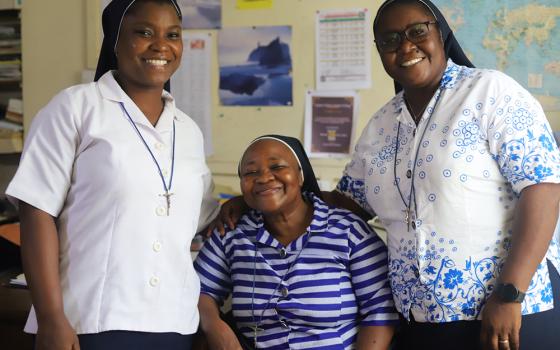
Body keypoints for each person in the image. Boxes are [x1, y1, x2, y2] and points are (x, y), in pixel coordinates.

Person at [212, 1, 560, 349]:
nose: (406, 46)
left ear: (440, 31)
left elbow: (543, 187)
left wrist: (510, 294)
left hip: (505, 314)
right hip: (419, 321)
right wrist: (260, 197)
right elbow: (346, 204)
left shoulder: (490, 91)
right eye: (390, 39)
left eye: (417, 32)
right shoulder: (381, 125)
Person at [6, 0, 218, 349]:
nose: (161, 45)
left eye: (173, 35)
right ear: (115, 41)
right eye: (144, 32)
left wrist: (235, 208)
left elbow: (197, 217)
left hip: (175, 322)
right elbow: (36, 212)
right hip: (91, 321)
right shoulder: (76, 108)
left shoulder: (189, 130)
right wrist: (51, 317)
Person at [195, 135, 398, 350]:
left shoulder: (349, 231)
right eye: (250, 172)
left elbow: (380, 310)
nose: (264, 178)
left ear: (300, 176)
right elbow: (197, 289)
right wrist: (214, 325)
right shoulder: (232, 233)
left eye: (277, 166)